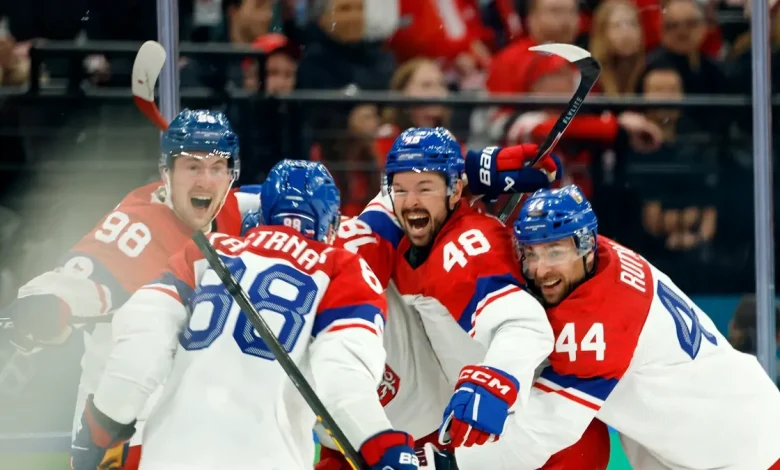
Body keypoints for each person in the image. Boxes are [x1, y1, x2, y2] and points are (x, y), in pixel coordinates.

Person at [69, 160, 419, 470]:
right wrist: (380, 445)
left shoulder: (206, 251)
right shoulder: (342, 268)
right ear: (331, 226)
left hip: (172, 455)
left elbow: (140, 348)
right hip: (267, 458)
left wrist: (102, 424)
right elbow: (342, 381)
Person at [319, 127, 611, 469]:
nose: (411, 200)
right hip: (463, 426)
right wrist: (477, 167)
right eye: (400, 190)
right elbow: (402, 195)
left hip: (536, 440)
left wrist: (495, 381)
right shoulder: (408, 219)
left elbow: (525, 325)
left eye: (425, 188)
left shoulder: (465, 250)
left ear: (454, 189)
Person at [452, 185, 780, 470]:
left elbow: (544, 431)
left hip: (745, 451)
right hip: (730, 423)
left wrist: (454, 459)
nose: (540, 269)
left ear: (585, 246)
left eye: (554, 252)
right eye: (531, 253)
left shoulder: (601, 325)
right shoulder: (601, 255)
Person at [1, 109, 258, 470]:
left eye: (217, 168)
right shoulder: (138, 227)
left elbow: (282, 207)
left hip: (198, 427)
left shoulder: (231, 212)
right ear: (165, 173)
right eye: (192, 167)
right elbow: (81, 278)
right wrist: (46, 304)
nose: (205, 180)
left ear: (232, 174)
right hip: (120, 432)